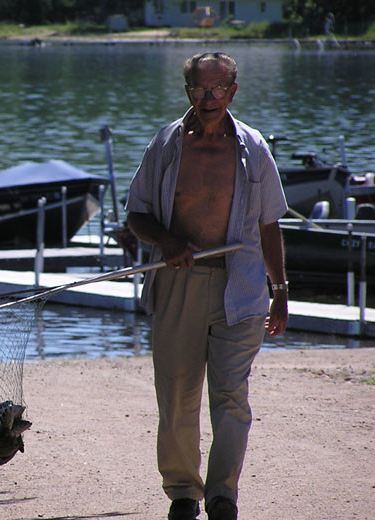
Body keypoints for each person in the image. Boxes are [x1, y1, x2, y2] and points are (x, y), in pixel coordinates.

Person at [125, 52, 289, 520]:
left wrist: (280, 289)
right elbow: (136, 214)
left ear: (233, 91)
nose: (209, 98)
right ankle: (182, 492)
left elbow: (269, 224)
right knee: (177, 393)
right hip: (179, 280)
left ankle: (222, 496)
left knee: (231, 395)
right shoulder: (166, 146)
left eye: (219, 89)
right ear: (188, 93)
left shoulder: (254, 148)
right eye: (200, 89)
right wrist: (167, 238)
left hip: (241, 285)